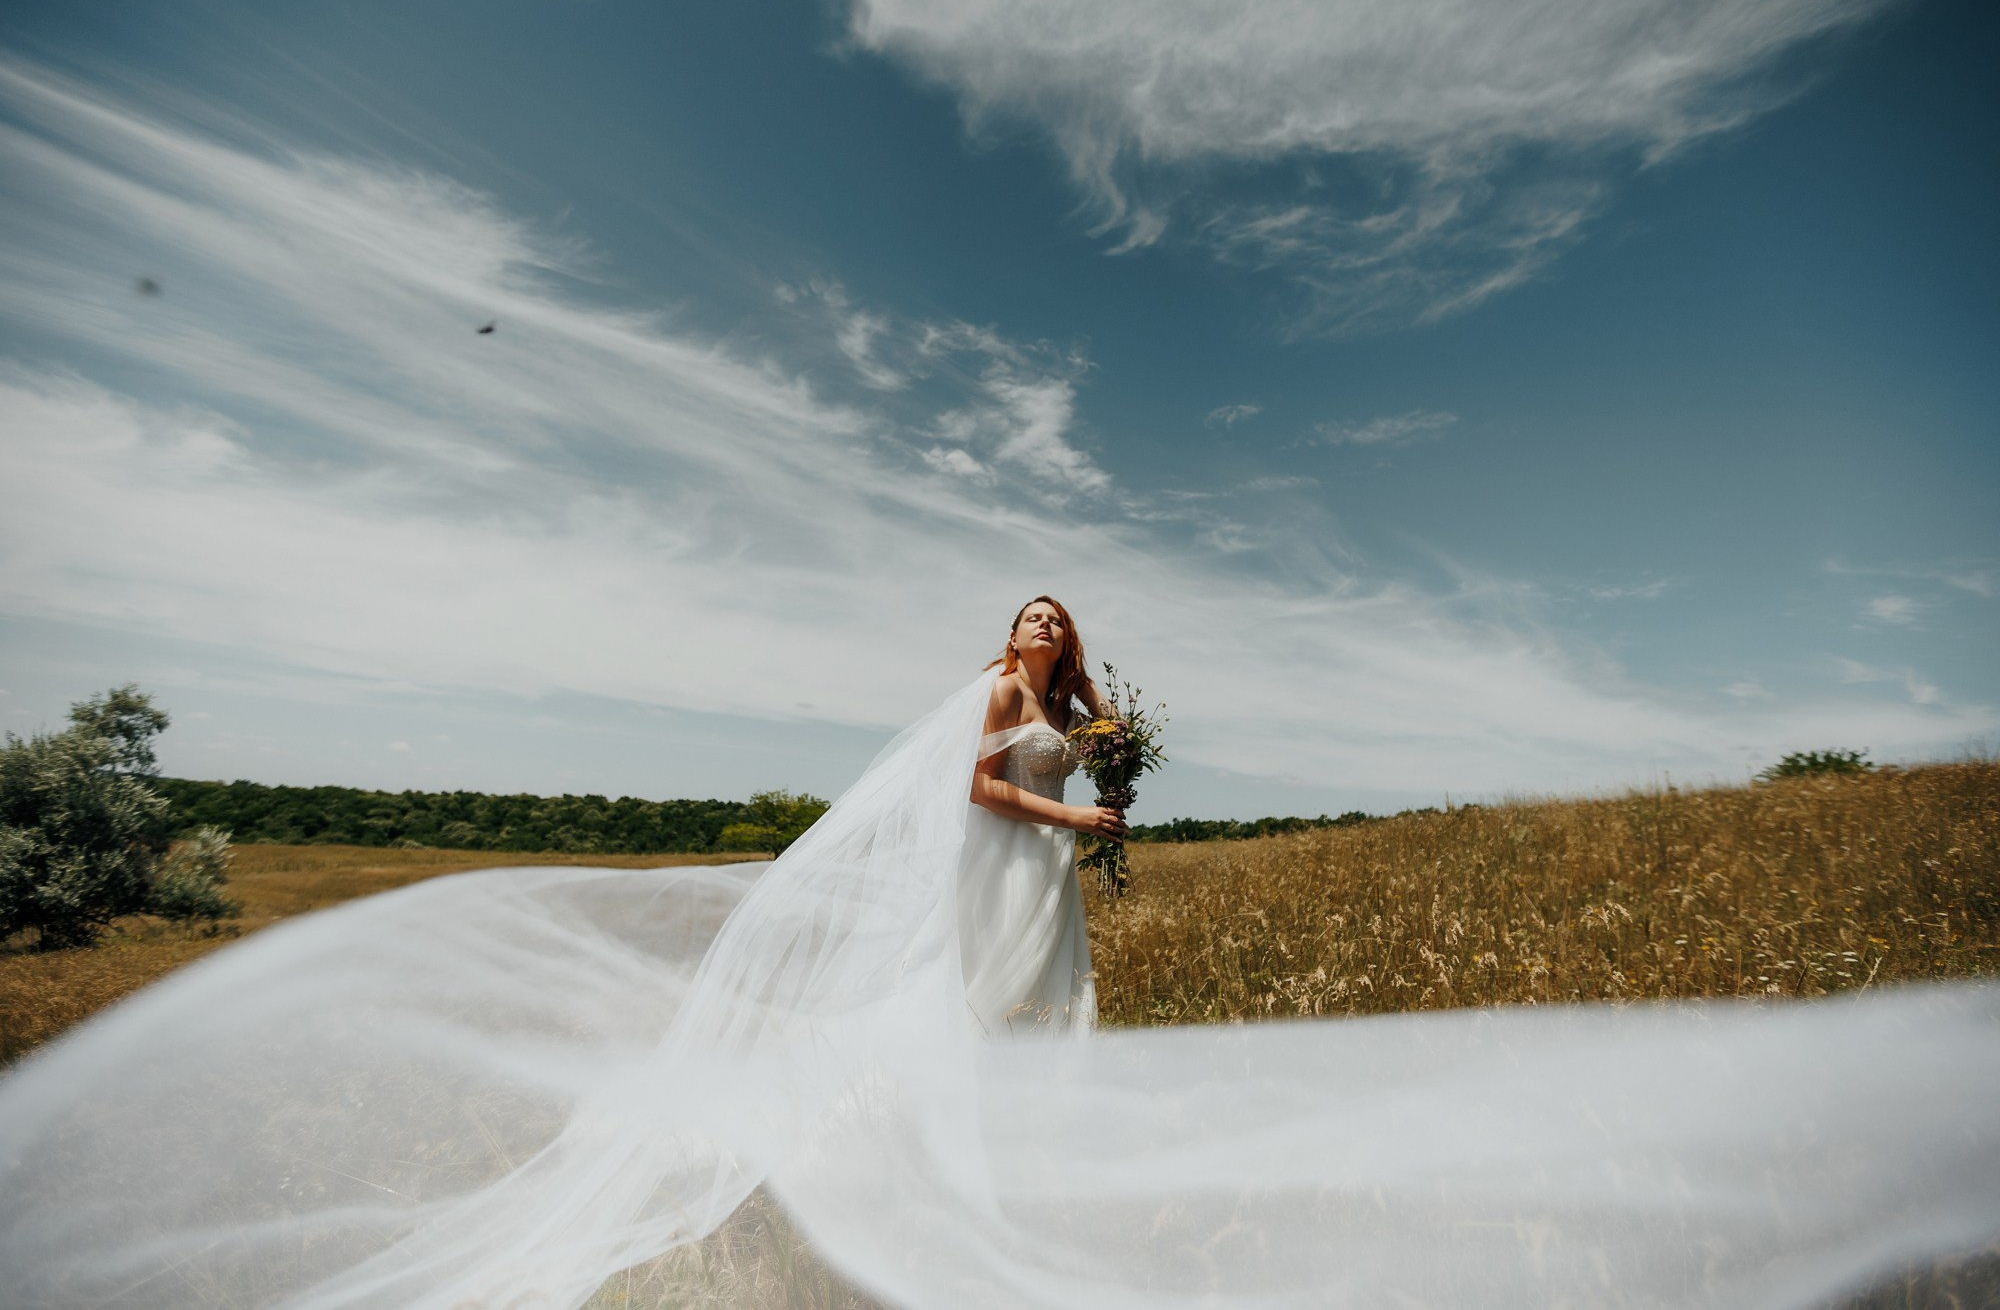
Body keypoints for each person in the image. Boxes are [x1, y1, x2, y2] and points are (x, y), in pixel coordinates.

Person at [1, 600, 1996, 1309]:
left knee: (1062, 1026)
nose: (1041, 647)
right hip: (1001, 871)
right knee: (989, 1012)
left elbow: (1079, 782)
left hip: (1056, 883)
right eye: (1030, 630)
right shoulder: (991, 709)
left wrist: (1116, 796)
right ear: (1010, 641)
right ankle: (940, 1167)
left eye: (1056, 637)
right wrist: (1072, 811)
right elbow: (972, 801)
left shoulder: (1097, 696)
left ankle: (1025, 1146)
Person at [962, 594, 1119, 1035]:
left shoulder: (1067, 713)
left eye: (1056, 621)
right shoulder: (1005, 688)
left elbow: (1123, 742)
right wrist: (1074, 817)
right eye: (1033, 618)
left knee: (1049, 985)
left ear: (1067, 640)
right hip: (1004, 855)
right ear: (1014, 637)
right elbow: (980, 786)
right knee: (1002, 980)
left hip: (1054, 858)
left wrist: (1084, 685)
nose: (1044, 624)